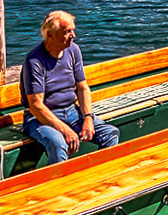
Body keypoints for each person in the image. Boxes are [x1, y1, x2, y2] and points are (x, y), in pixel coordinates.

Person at [21, 10, 121, 165]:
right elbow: (36, 105)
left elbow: (82, 87)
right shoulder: (34, 60)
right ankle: (59, 184)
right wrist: (64, 129)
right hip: (41, 118)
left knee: (110, 133)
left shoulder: (73, 50)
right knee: (58, 144)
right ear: (50, 35)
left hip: (71, 111)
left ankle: (99, 177)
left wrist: (88, 117)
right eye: (67, 31)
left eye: (73, 30)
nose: (73, 35)